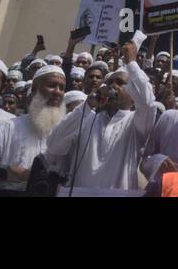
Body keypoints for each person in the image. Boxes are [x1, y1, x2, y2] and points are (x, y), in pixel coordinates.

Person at [46, 40, 158, 190]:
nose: (112, 85)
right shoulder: (87, 117)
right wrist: (87, 106)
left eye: (120, 82)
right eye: (109, 82)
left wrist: (131, 62)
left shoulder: (135, 123)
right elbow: (55, 145)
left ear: (134, 95)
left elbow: (148, 103)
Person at [2, 65, 70, 178]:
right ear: (34, 90)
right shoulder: (9, 127)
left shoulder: (65, 132)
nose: (57, 92)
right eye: (52, 86)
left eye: (62, 88)